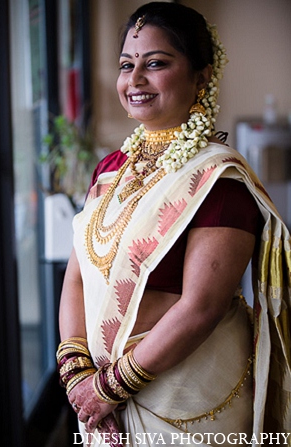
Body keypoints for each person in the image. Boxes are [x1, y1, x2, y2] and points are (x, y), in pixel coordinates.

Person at [57, 3, 291, 446]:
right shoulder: (110, 170)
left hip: (186, 402)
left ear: (201, 77)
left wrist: (108, 388)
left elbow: (200, 307)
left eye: (157, 63)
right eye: (127, 65)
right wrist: (76, 373)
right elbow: (77, 278)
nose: (135, 79)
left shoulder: (220, 181)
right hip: (101, 399)